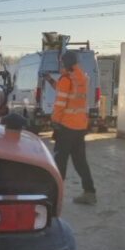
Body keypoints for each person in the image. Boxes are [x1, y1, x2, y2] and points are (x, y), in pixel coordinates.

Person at [44, 50, 97, 205]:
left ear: (65, 63)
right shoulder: (81, 78)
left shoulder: (66, 79)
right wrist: (50, 81)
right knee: (80, 162)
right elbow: (66, 92)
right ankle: (90, 192)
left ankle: (54, 196)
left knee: (60, 162)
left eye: (61, 62)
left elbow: (61, 102)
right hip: (80, 126)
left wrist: (55, 120)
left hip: (66, 126)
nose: (60, 64)